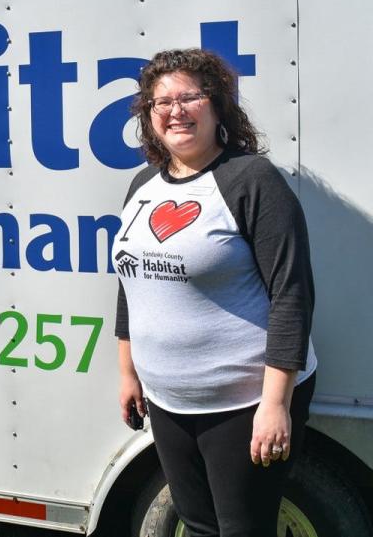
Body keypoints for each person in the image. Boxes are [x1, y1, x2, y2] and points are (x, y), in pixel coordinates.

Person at [113, 48, 317, 537]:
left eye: (190, 97)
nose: (175, 110)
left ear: (218, 106)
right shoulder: (142, 185)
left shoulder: (251, 180)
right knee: (198, 525)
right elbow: (130, 281)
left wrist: (275, 404)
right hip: (167, 399)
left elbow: (291, 294)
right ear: (148, 115)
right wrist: (128, 372)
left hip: (243, 399)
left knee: (243, 529)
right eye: (161, 101)